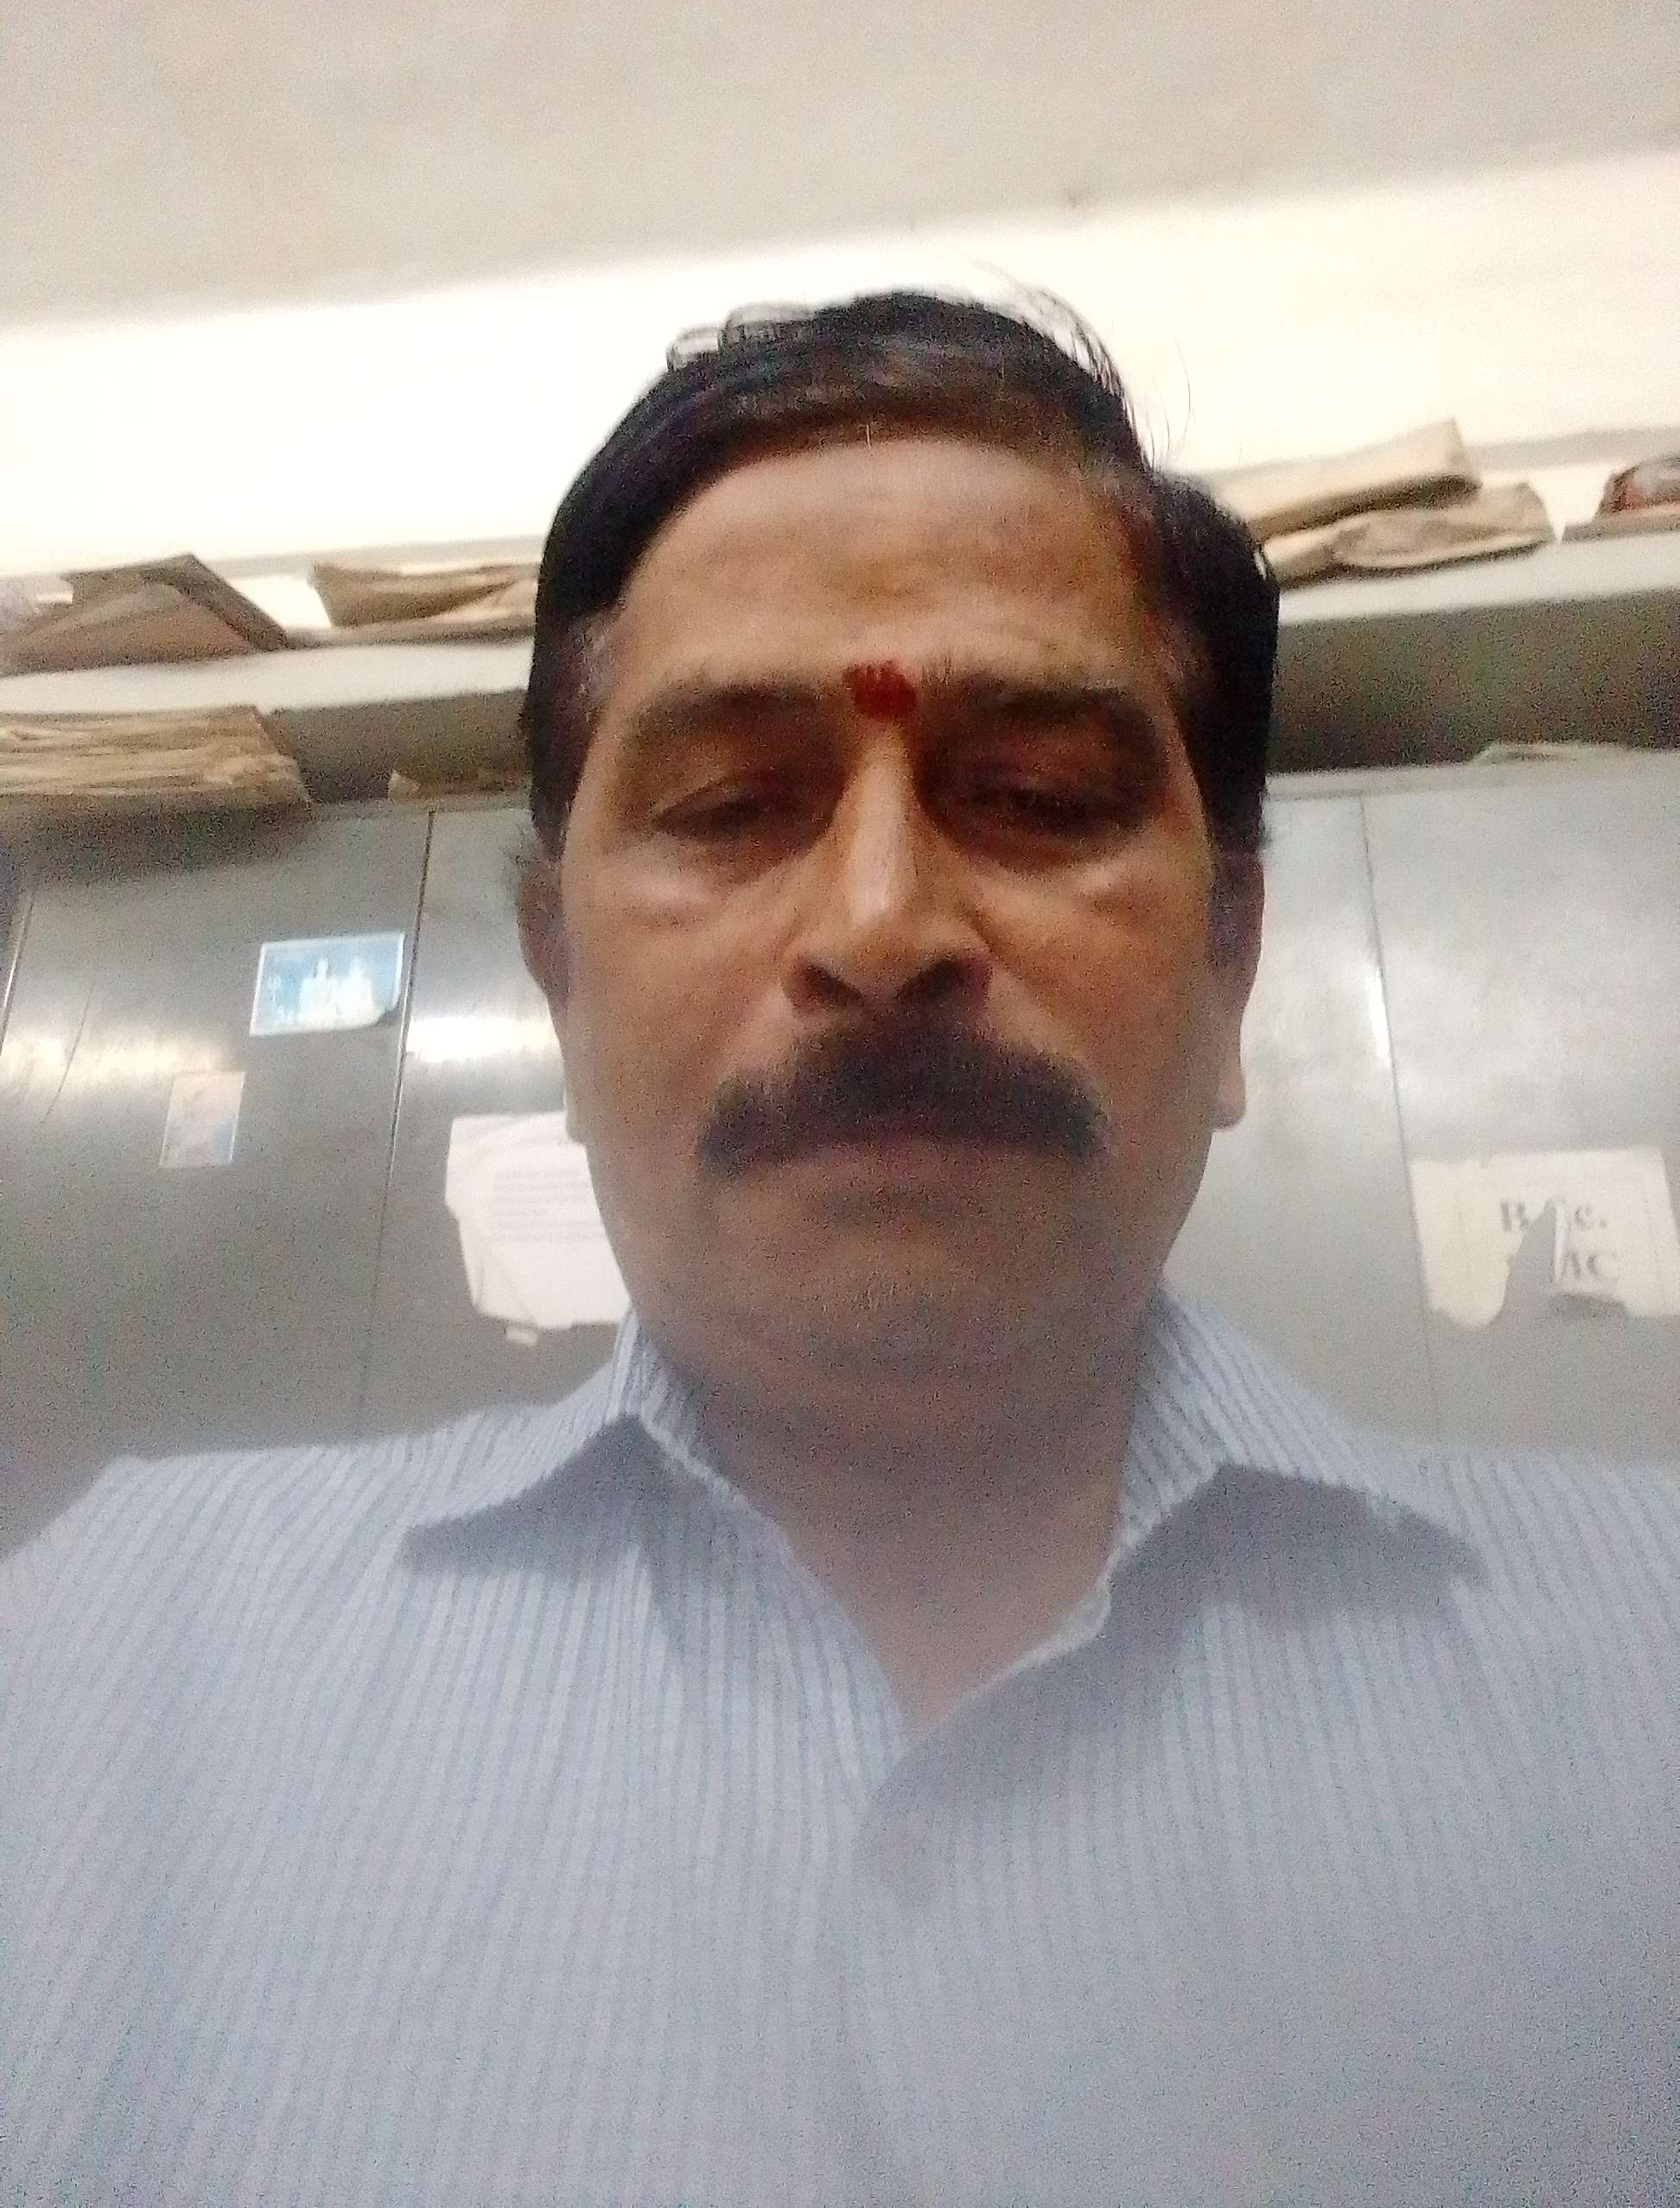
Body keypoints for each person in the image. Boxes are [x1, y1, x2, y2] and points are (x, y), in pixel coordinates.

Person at [2, 293, 1675, 2207]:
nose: (883, 929)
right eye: (732, 807)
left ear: (1231, 973)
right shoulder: (107, 1674)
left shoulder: (1648, 1667)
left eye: (1037, 798)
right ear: (559, 982)